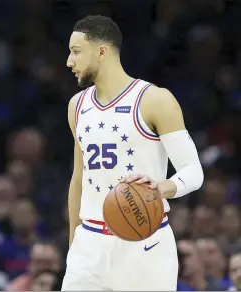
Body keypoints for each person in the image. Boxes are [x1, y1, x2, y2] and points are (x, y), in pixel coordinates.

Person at [63, 15, 204, 290]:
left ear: (102, 52)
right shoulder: (77, 105)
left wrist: (164, 187)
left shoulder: (155, 100)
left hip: (144, 244)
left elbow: (194, 172)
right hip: (89, 244)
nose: (69, 61)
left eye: (76, 52)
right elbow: (78, 179)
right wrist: (74, 244)